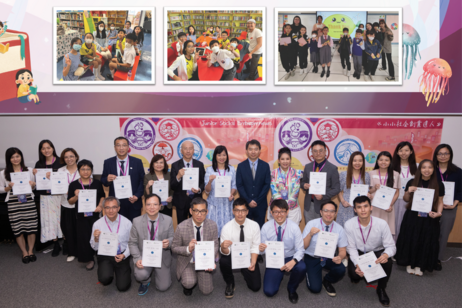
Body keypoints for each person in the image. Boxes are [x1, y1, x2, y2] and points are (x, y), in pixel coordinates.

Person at [345, 196, 396, 307]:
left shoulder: (382, 224)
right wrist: (357, 264)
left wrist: (386, 254)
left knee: (387, 261)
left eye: (365, 206)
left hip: (376, 252)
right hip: (358, 252)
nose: (363, 210)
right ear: (354, 210)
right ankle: (357, 277)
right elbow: (351, 249)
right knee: (354, 274)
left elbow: (391, 246)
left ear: (371, 207)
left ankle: (381, 288)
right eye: (359, 207)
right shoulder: (349, 224)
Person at [395, 160, 444, 276]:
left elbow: (440, 201)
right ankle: (409, 262)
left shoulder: (439, 184)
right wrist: (408, 191)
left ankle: (420, 264)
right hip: (412, 216)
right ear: (419, 169)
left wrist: (439, 213)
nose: (427, 170)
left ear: (433, 170)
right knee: (411, 238)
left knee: (426, 240)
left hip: (430, 217)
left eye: (430, 167)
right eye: (424, 167)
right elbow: (406, 199)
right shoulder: (412, 182)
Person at [260, 199, 306, 303]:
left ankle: (292, 288)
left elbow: (300, 250)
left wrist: (293, 261)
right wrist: (261, 249)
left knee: (301, 267)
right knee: (269, 291)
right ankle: (278, 275)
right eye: (276, 212)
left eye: (282, 211)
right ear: (271, 213)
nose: (279, 215)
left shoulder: (294, 227)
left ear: (287, 212)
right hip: (274, 258)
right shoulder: (266, 227)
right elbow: (262, 252)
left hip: (289, 256)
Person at [171, 197, 219, 296]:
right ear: (190, 211)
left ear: (207, 212)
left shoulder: (213, 225)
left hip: (204, 261)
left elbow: (215, 245)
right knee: (189, 283)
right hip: (187, 260)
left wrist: (210, 260)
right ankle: (188, 282)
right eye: (196, 211)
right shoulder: (181, 226)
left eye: (202, 211)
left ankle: (198, 276)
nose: (199, 214)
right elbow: (174, 247)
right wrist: (188, 249)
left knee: (207, 291)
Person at [129, 194, 174, 295]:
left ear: (160, 206)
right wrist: (137, 258)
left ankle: (161, 274)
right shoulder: (136, 221)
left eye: (155, 204)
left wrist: (169, 243)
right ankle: (145, 281)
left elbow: (172, 237)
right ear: (145, 206)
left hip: (162, 255)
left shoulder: (168, 220)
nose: (152, 207)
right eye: (148, 204)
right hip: (144, 256)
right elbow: (132, 242)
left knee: (163, 287)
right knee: (140, 275)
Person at [0, 148, 38, 263]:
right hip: (13, 204)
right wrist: (8, 188)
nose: (15, 159)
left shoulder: (30, 171)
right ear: (8, 159)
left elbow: (34, 187)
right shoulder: (3, 173)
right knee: (18, 229)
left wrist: (33, 185)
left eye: (17, 156)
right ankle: (24, 252)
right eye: (12, 157)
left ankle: (30, 250)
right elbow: (1, 189)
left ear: (21, 157)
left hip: (28, 202)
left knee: (31, 227)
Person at [303, 201, 347, 297]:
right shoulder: (311, 224)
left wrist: (340, 256)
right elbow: (303, 246)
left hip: (329, 256)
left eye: (332, 211)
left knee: (341, 269)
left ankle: (327, 280)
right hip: (312, 257)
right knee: (315, 289)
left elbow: (343, 250)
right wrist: (310, 235)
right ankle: (310, 271)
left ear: (335, 213)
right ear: (321, 212)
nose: (329, 214)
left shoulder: (339, 229)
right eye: (326, 210)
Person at [220, 198, 261, 299]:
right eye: (237, 210)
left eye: (243, 210)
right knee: (223, 261)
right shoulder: (226, 227)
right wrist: (223, 247)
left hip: (248, 257)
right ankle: (230, 283)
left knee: (255, 287)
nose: (240, 214)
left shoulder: (254, 226)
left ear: (247, 211)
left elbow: (255, 246)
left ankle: (245, 269)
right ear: (233, 211)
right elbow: (225, 252)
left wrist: (253, 263)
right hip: (233, 256)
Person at [68, 159, 105, 270]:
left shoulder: (97, 183)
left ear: (91, 170)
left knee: (98, 235)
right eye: (83, 169)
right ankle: (89, 259)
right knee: (84, 237)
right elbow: (70, 201)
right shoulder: (74, 184)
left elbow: (102, 196)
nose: (85, 171)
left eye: (88, 169)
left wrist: (100, 206)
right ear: (79, 170)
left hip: (95, 215)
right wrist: (76, 196)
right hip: (81, 216)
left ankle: (102, 256)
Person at [90, 196, 133, 292]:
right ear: (104, 209)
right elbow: (94, 247)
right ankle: (108, 269)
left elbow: (132, 243)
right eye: (107, 208)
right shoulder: (97, 224)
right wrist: (96, 238)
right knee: (104, 279)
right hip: (105, 255)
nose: (111, 210)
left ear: (118, 208)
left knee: (123, 287)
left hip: (121, 255)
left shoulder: (127, 223)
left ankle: (125, 268)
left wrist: (124, 255)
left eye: (114, 207)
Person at [101, 137, 145, 221]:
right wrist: (107, 179)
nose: (121, 148)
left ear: (128, 148)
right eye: (118, 145)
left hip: (133, 202)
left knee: (134, 228)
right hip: (116, 204)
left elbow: (142, 180)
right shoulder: (108, 162)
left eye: (124, 145)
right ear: (115, 148)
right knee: (118, 228)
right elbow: (103, 180)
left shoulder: (137, 162)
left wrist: (137, 195)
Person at [33, 139, 65, 255]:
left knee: (62, 219)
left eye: (48, 147)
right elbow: (37, 182)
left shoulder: (61, 162)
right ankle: (55, 243)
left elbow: (65, 179)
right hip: (46, 197)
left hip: (59, 196)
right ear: (40, 150)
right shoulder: (39, 164)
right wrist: (35, 176)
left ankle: (65, 242)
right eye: (43, 148)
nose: (46, 150)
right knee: (50, 220)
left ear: (53, 148)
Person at [433, 144, 462, 270]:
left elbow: (461, 190)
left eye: (446, 153)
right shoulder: (431, 170)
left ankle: (438, 259)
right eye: (440, 153)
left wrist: (455, 203)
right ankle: (426, 255)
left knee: (444, 234)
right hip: (432, 206)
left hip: (449, 207)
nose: (443, 156)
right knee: (429, 232)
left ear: (450, 155)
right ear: (436, 155)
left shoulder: (458, 172)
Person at [301, 140, 340, 224]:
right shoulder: (308, 167)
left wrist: (324, 196)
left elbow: (336, 188)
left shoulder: (332, 168)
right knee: (310, 230)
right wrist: (304, 185)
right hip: (309, 205)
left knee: (323, 232)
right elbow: (302, 182)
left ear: (325, 151)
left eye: (320, 151)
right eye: (315, 151)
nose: (318, 153)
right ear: (312, 152)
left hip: (324, 206)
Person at [236, 139, 271, 228]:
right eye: (250, 149)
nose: (253, 151)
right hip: (244, 205)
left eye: (255, 149)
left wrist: (256, 200)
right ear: (246, 151)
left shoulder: (265, 166)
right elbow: (239, 185)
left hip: (260, 204)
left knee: (259, 229)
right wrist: (248, 201)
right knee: (244, 229)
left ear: (259, 151)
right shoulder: (241, 166)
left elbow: (266, 185)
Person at [170, 141, 206, 224]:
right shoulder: (175, 165)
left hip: (196, 201)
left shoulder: (199, 165)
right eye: (185, 148)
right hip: (181, 202)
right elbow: (172, 186)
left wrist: (199, 189)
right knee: (182, 226)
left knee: (197, 225)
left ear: (193, 151)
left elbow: (203, 182)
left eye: (190, 148)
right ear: (181, 151)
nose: (188, 151)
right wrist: (178, 176)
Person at [204, 145, 237, 235]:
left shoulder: (232, 169)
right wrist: (210, 181)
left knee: (227, 232)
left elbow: (234, 186)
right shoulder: (209, 170)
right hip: (214, 205)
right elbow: (207, 191)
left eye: (224, 155)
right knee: (213, 231)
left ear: (227, 156)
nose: (222, 157)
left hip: (227, 204)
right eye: (219, 155)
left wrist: (231, 193)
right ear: (215, 156)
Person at [369, 151, 400, 236]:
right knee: (373, 230)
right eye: (381, 159)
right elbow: (368, 191)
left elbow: (397, 192)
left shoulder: (395, 174)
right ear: (377, 161)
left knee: (386, 232)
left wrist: (390, 204)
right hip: (374, 206)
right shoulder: (372, 173)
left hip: (388, 207)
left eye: (386, 160)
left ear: (390, 162)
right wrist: (374, 188)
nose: (383, 162)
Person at [58, 148, 81, 262]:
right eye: (66, 157)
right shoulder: (60, 171)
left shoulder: (82, 169)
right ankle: (71, 252)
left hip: (80, 205)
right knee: (68, 230)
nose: (69, 159)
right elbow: (56, 187)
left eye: (71, 156)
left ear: (76, 157)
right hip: (66, 204)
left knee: (80, 229)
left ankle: (82, 251)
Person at [391, 141, 418, 241]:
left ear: (411, 152)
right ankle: (392, 250)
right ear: (397, 152)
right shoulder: (391, 167)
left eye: (406, 150)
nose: (403, 153)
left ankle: (404, 249)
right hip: (394, 200)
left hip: (411, 202)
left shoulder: (418, 167)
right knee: (394, 226)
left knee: (407, 225)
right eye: (401, 150)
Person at [269, 147, 303, 224]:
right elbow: (273, 190)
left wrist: (287, 204)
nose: (285, 161)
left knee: (291, 232)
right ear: (279, 160)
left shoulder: (297, 173)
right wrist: (281, 206)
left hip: (292, 209)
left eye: (287, 159)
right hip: (276, 209)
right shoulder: (273, 173)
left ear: (290, 160)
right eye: (282, 159)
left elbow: (296, 190)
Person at [338, 151, 371, 227]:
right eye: (355, 160)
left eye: (360, 160)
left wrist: (368, 195)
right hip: (346, 206)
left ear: (363, 162)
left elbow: (367, 190)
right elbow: (338, 190)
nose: (357, 163)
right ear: (351, 162)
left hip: (360, 207)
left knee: (359, 229)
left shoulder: (366, 175)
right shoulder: (343, 174)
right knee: (344, 228)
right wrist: (342, 201)